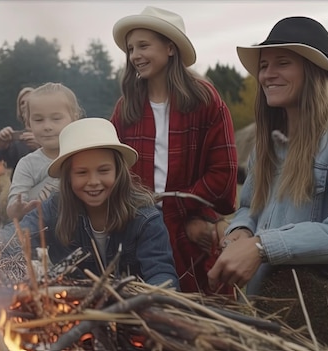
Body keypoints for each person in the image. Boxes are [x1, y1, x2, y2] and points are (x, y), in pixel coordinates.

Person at [207, 17, 328, 295]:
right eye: (264, 65)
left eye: (283, 63)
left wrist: (262, 246)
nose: (268, 74)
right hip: (272, 308)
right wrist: (241, 231)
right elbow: (249, 207)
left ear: (313, 71)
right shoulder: (266, 144)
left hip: (322, 318)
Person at [110, 6, 237, 293]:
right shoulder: (126, 108)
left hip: (190, 233)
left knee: (197, 317)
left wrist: (180, 212)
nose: (135, 56)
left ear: (170, 47)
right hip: (135, 231)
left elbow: (223, 177)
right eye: (131, 49)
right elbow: (113, 169)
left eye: (144, 45)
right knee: (139, 317)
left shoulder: (206, 101)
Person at [0, 118, 179, 289]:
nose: (93, 181)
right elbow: (20, 232)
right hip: (75, 319)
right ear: (67, 177)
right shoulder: (57, 207)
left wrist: (148, 300)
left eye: (103, 170)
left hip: (133, 318)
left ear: (119, 171)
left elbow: (162, 276)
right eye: (82, 173)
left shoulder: (145, 217)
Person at [6, 83, 82, 221]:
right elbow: (13, 208)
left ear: (74, 119)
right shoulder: (27, 164)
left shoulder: (85, 156)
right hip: (40, 234)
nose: (47, 126)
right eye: (38, 120)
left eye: (56, 119)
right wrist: (19, 209)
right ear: (28, 123)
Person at [0, 87, 40, 173]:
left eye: (29, 101)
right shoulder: (18, 140)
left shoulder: (51, 134)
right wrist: (2, 147)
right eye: (22, 103)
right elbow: (4, 164)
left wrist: (41, 148)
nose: (26, 105)